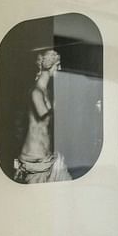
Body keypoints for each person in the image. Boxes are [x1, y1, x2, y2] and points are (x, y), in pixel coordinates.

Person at [14, 48, 71, 184]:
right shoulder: (36, 92)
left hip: (47, 155)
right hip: (34, 157)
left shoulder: (47, 91)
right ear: (48, 65)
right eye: (57, 65)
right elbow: (44, 115)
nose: (59, 68)